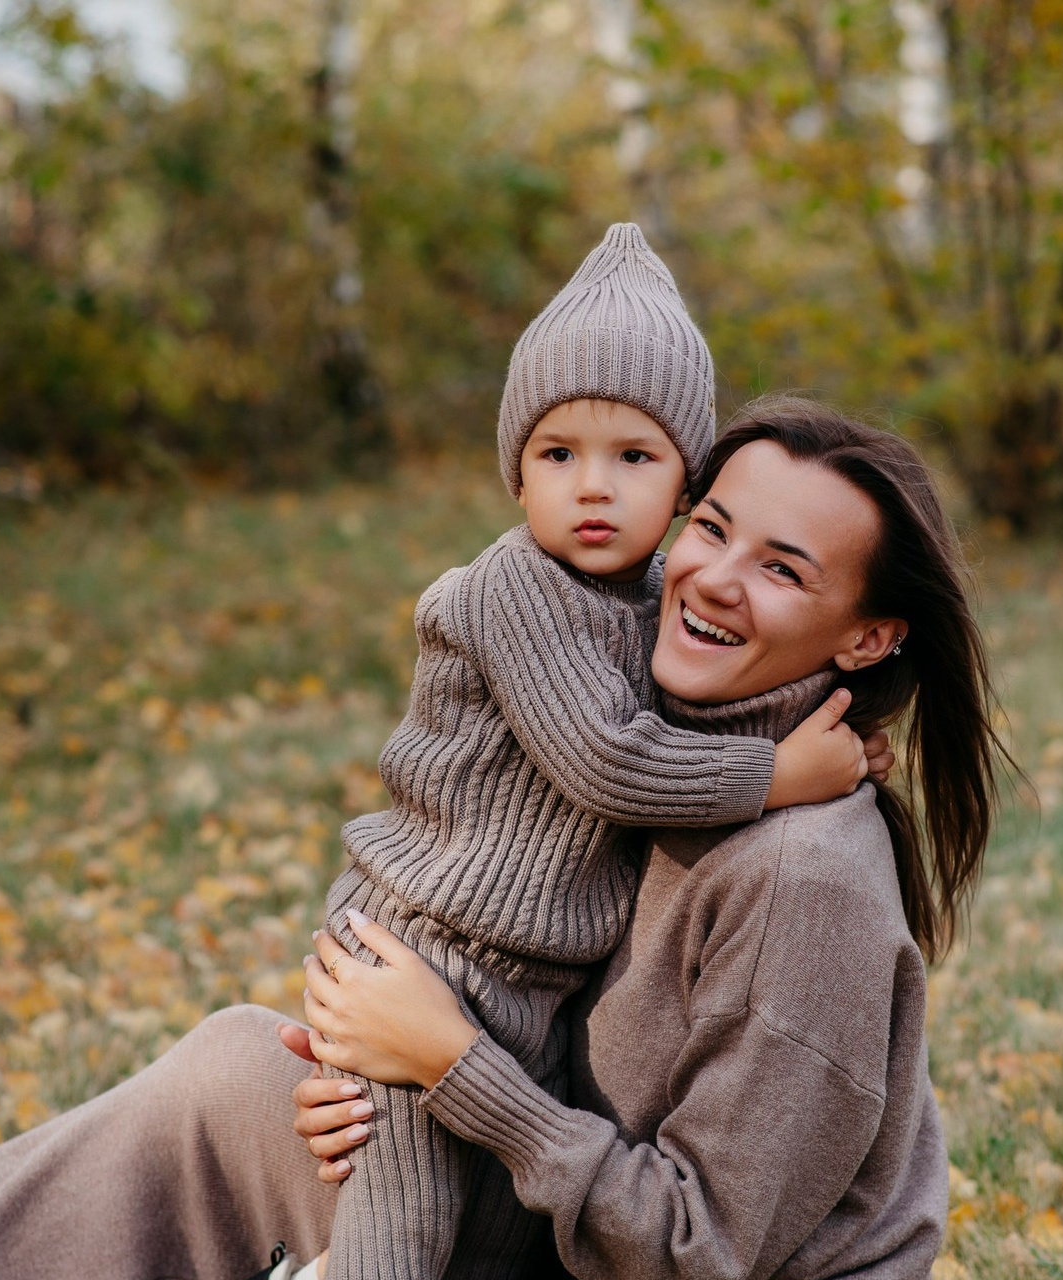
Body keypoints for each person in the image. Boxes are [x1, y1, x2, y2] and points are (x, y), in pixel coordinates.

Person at [284, 395, 1006, 1279]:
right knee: (235, 1073)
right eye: (711, 529)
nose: (711, 579)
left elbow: (699, 1252)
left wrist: (450, 1063)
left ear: (868, 638)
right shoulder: (648, 755)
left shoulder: (803, 879)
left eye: (782, 571)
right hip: (549, 1218)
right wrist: (372, 1077)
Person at [309, 226, 873, 1280]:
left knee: (492, 1244)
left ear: (681, 486)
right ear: (515, 475)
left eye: (634, 457)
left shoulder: (655, 598)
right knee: (400, 1233)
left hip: (519, 985)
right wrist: (778, 774)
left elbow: (719, 697)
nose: (593, 487)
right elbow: (610, 762)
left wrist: (823, 737)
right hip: (425, 948)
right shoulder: (517, 585)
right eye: (556, 454)